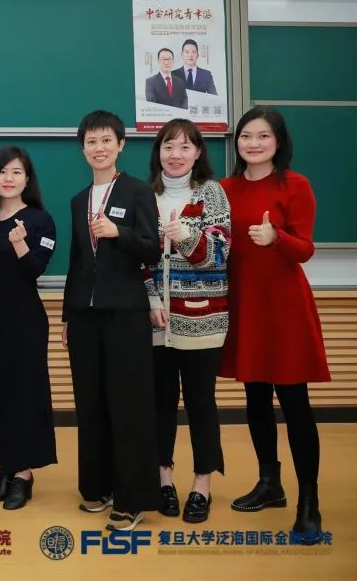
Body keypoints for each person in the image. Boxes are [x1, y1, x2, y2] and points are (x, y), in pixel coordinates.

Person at [220, 107, 329, 544]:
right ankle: (270, 483)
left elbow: (305, 249)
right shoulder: (224, 189)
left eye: (263, 136)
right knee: (255, 397)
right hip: (244, 304)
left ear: (279, 142)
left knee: (295, 402)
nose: (253, 143)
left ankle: (309, 501)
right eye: (246, 135)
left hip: (283, 308)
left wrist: (275, 238)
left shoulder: (295, 185)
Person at [62, 110, 161, 532]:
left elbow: (152, 248)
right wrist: (67, 315)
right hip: (84, 316)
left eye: (106, 140)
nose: (98, 148)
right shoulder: (78, 200)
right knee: (90, 403)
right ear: (82, 148)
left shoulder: (137, 191)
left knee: (128, 405)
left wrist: (117, 232)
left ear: (121, 145)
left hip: (125, 315)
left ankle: (132, 498)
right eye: (91, 141)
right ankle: (97, 487)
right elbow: (75, 262)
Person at [143, 119, 230, 523]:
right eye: (168, 146)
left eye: (184, 147)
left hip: (203, 319)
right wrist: (151, 298)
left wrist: (184, 236)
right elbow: (136, 258)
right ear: (158, 152)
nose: (175, 155)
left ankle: (202, 484)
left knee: (201, 403)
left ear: (197, 153)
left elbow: (219, 252)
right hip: (155, 321)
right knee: (159, 404)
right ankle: (163, 478)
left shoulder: (212, 193)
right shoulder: (144, 195)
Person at [0, 146, 58, 511]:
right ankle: (7, 467)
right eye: (2, 172)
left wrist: (20, 244)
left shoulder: (40, 219)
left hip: (25, 318)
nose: (8, 179)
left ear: (27, 179)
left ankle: (23, 474)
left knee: (25, 394)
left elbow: (34, 271)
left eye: (16, 172)